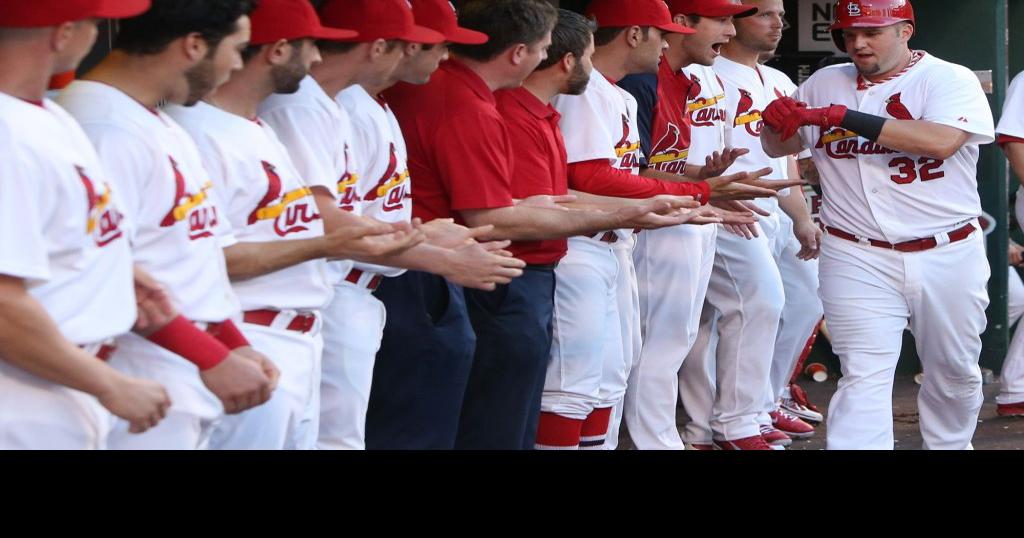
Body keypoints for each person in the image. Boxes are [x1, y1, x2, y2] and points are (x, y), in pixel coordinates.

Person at [762, 0, 995, 449]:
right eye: (849, 34)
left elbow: (942, 142)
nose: (858, 43)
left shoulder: (947, 78)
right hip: (856, 251)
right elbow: (781, 148)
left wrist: (843, 117)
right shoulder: (827, 81)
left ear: (906, 30)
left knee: (954, 373)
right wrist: (776, 129)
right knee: (863, 371)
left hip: (946, 250)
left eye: (872, 31)